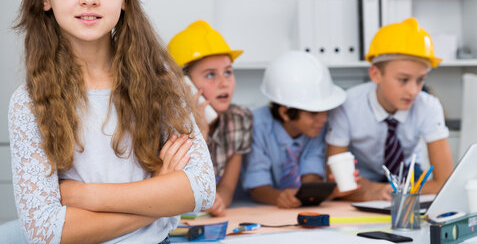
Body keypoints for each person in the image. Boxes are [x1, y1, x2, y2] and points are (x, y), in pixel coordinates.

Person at [8, 0, 215, 243]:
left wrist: (86, 197)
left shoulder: (160, 81)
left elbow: (202, 189)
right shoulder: (28, 103)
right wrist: (158, 196)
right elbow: (45, 231)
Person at [326, 18, 453, 201]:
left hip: (408, 176)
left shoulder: (428, 105)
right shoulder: (347, 106)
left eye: (420, 80)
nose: (413, 90)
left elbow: (444, 182)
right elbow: (336, 179)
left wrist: (390, 189)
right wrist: (367, 189)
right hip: (363, 177)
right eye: (403, 79)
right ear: (375, 74)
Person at [242, 51, 349, 208]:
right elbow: (258, 189)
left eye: (325, 111)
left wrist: (326, 191)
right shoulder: (256, 126)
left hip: (291, 212)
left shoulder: (314, 129)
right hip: (251, 209)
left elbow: (310, 179)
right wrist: (281, 197)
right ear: (285, 112)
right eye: (313, 113)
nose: (324, 119)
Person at [168, 20, 253, 217]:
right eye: (210, 75)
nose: (224, 83)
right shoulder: (166, 127)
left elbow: (228, 187)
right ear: (183, 84)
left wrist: (220, 198)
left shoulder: (240, 120)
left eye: (228, 72)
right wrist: (200, 132)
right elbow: (173, 192)